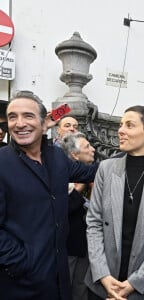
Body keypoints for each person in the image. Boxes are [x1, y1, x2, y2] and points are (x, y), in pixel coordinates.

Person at [0, 90, 98, 300]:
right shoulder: (2, 163)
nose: (19, 123)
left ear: (44, 123)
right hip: (19, 283)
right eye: (12, 117)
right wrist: (20, 262)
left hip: (58, 279)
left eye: (28, 115)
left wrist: (126, 159)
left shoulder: (57, 157)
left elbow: (90, 172)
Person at [85, 105, 144, 300]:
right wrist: (103, 274)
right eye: (121, 125)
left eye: (129, 125)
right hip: (103, 281)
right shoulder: (106, 168)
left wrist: (135, 283)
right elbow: (94, 222)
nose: (120, 130)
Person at [61, 132, 95, 300]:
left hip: (87, 245)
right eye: (87, 147)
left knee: (82, 289)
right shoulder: (64, 175)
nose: (93, 149)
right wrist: (78, 190)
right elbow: (62, 209)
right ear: (74, 154)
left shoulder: (94, 177)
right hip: (69, 246)